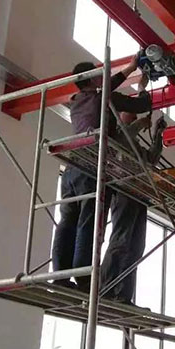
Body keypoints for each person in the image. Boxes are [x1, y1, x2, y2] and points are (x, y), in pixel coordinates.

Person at [52, 57, 152, 292]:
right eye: (98, 75)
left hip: (72, 167)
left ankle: (60, 275)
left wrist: (131, 67)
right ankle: (84, 278)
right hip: (92, 166)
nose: (102, 77)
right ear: (93, 80)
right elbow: (140, 105)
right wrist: (143, 89)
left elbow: (107, 87)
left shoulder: (76, 101)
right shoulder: (105, 99)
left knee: (67, 221)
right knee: (89, 221)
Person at [100, 111, 168, 305]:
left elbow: (151, 158)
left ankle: (124, 295)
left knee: (136, 247)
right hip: (124, 191)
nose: (135, 118)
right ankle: (105, 289)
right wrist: (139, 124)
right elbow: (125, 136)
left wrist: (158, 135)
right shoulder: (118, 136)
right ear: (120, 118)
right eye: (131, 116)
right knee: (121, 241)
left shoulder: (135, 145)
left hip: (140, 195)